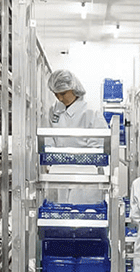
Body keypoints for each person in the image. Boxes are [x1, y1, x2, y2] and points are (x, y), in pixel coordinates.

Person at [47, 69, 106, 205]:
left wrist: (78, 158)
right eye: (56, 94)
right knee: (60, 217)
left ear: (74, 89)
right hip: (58, 172)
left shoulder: (91, 111)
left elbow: (98, 146)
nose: (60, 98)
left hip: (85, 174)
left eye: (63, 94)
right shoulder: (55, 110)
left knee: (83, 215)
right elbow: (49, 138)